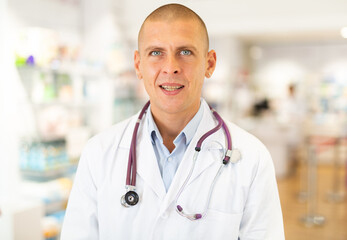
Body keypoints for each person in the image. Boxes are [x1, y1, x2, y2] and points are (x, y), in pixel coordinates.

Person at [61, 3, 284, 239]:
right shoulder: (99, 152)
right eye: (156, 52)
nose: (171, 67)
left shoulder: (251, 158)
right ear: (138, 65)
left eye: (185, 52)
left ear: (209, 64)